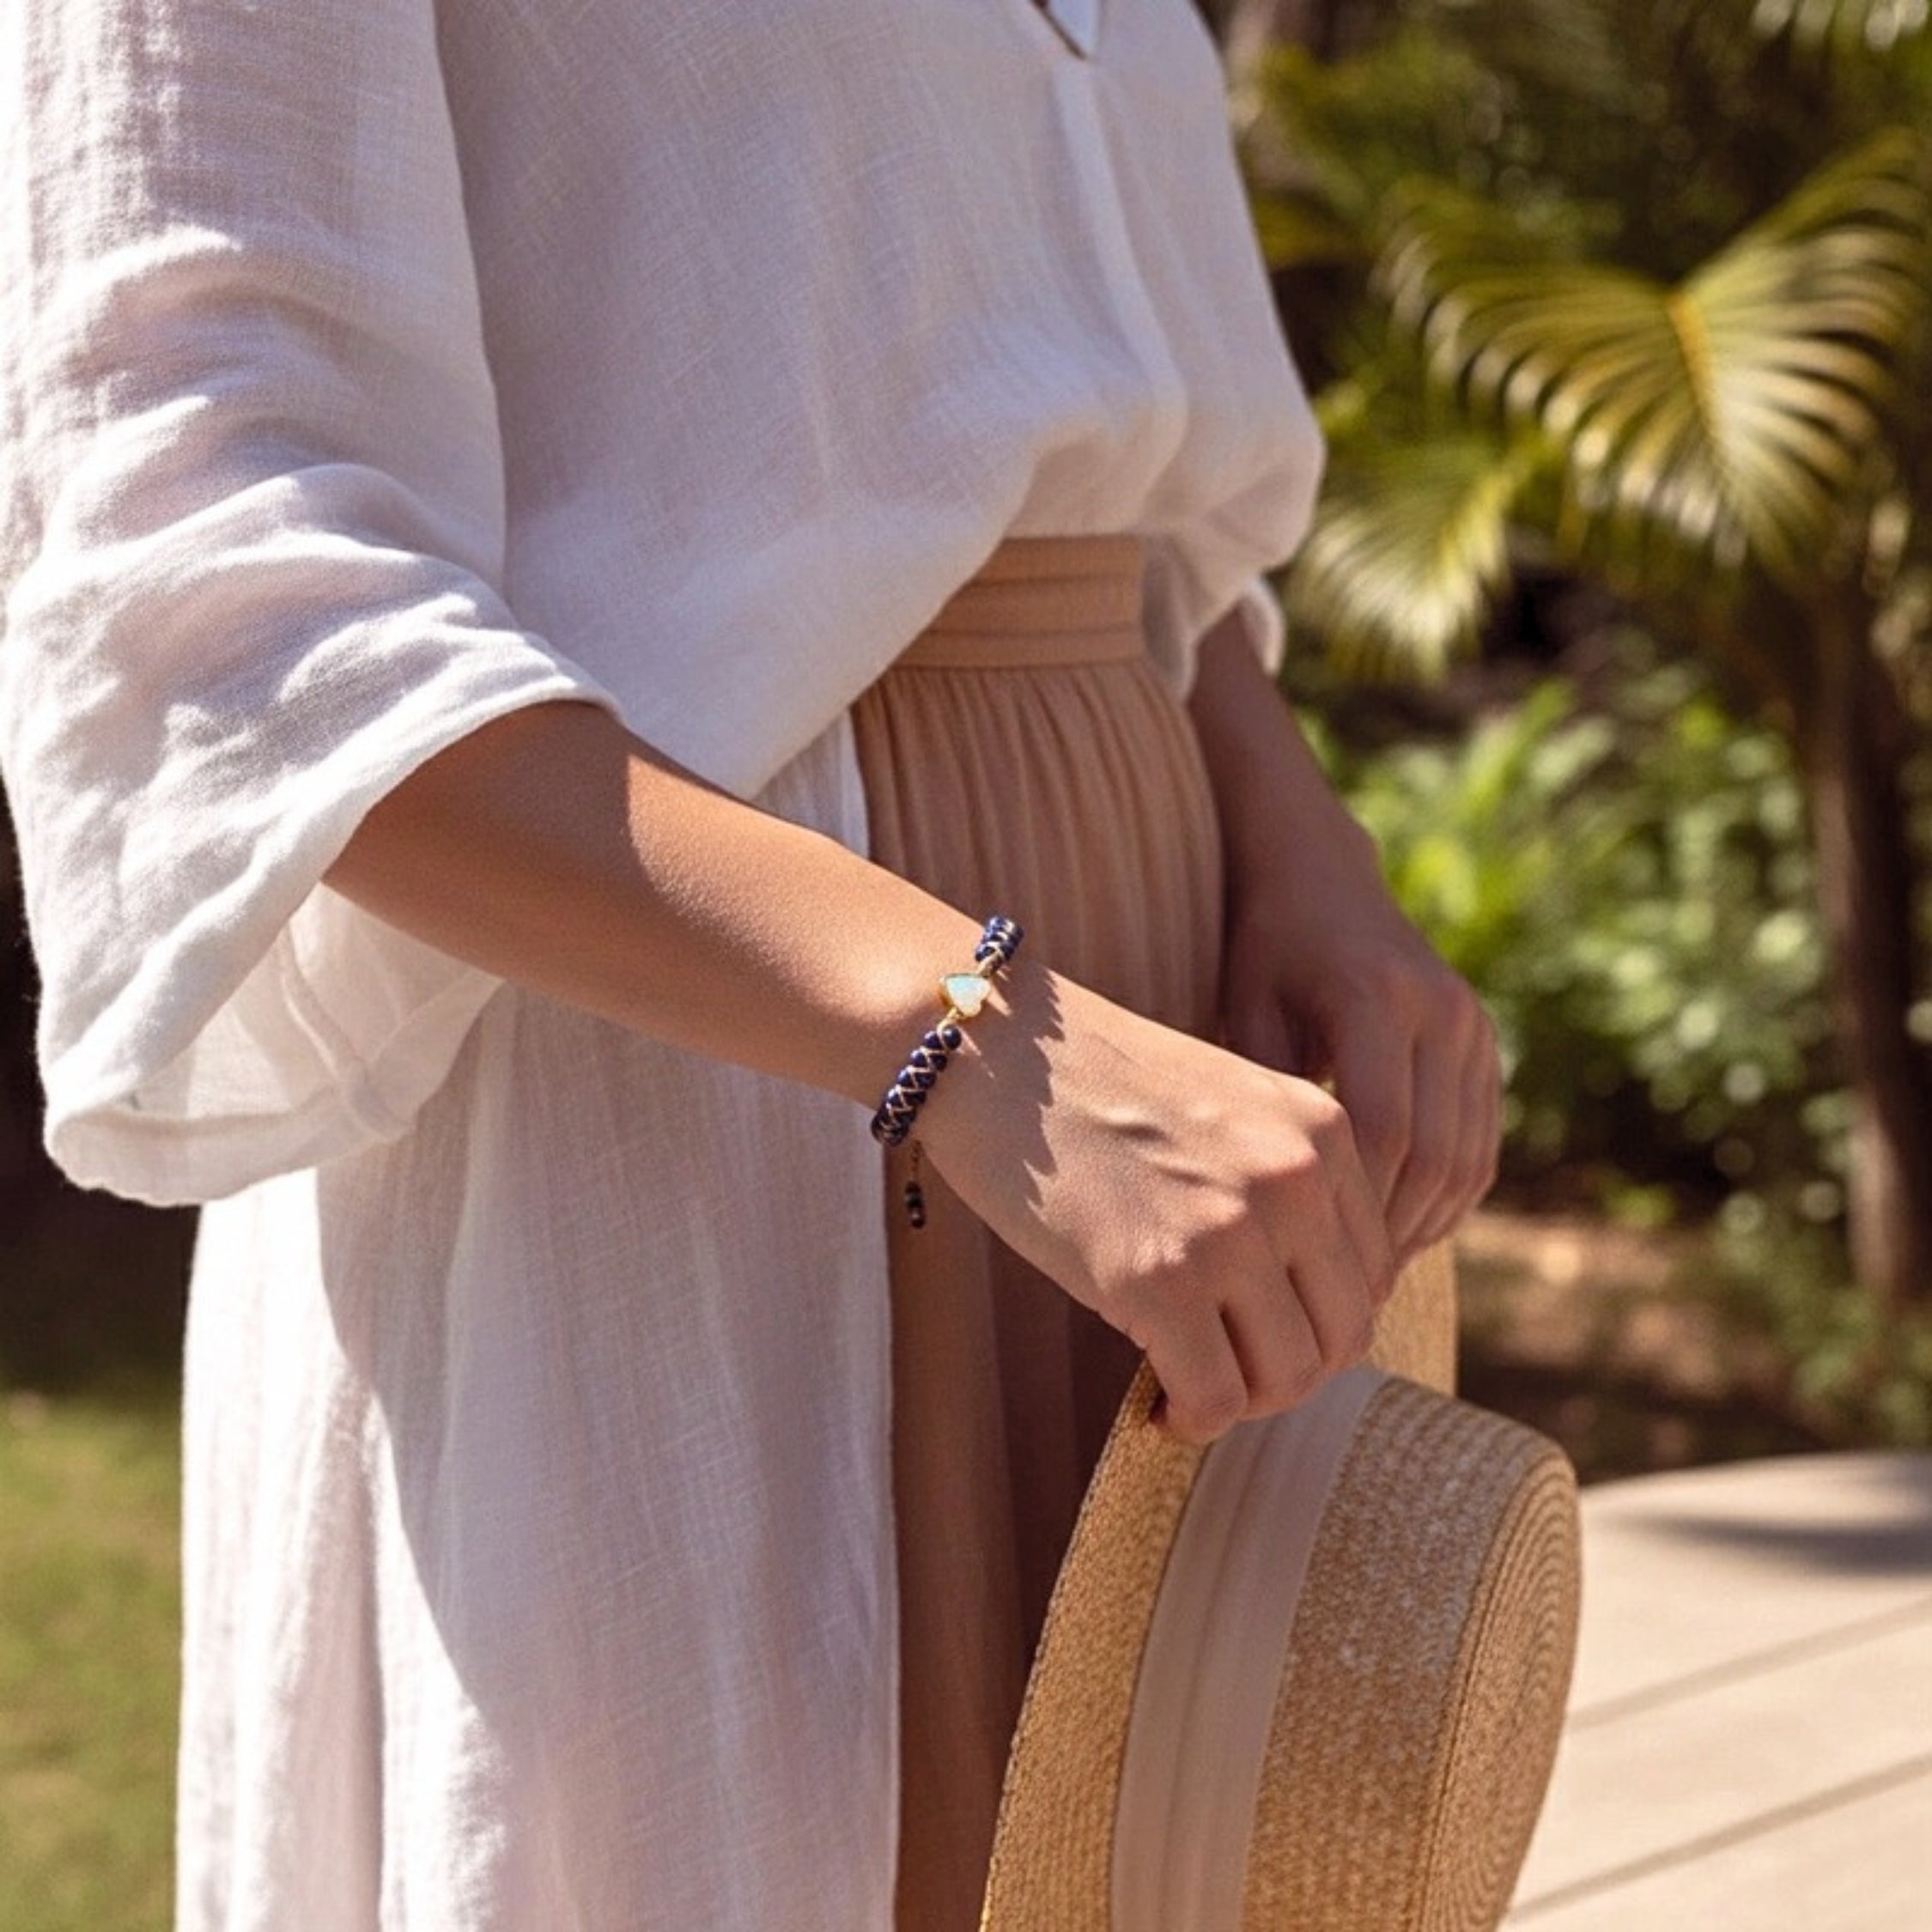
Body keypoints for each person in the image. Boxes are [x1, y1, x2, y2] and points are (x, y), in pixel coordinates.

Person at [0, 2, 1500, 1926]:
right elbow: (211, 563)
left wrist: (1312, 865)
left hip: (1134, 1051)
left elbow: (1116, 509)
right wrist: (973, 1034)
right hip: (694, 1080)